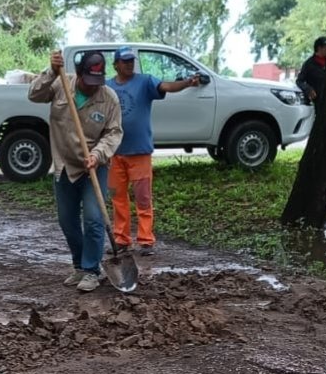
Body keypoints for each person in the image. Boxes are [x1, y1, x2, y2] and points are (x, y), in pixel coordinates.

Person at [28, 49, 122, 291]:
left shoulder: (109, 98)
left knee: (93, 219)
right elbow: (34, 94)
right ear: (78, 74)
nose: (93, 86)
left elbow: (113, 133)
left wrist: (98, 154)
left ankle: (92, 271)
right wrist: (51, 71)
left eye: (97, 81)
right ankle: (80, 265)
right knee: (67, 220)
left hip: (93, 167)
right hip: (64, 164)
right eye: (88, 80)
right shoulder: (60, 84)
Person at [107, 48, 202, 254]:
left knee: (143, 198)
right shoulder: (107, 87)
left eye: (131, 60)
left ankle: (145, 240)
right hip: (114, 152)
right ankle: (121, 239)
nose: (129, 64)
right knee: (118, 198)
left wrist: (187, 83)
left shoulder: (145, 82)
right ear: (116, 65)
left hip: (139, 152)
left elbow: (166, 86)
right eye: (125, 61)